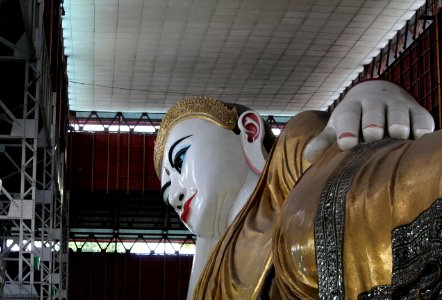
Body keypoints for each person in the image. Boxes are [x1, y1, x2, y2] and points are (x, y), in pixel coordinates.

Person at [154, 80, 441, 299]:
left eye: (180, 160)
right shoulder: (213, 275)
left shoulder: (290, 155)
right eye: (169, 196)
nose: (176, 195)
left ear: (250, 131)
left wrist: (373, 91)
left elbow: (358, 180)